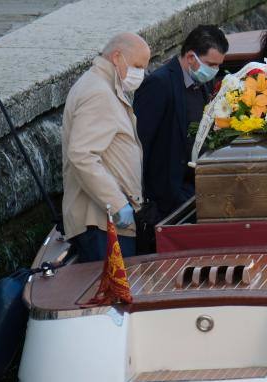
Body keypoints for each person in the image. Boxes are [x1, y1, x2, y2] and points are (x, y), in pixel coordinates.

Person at [61, 32, 150, 263]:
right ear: (117, 57)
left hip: (106, 220)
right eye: (138, 65)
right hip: (101, 222)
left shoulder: (104, 86)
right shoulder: (98, 92)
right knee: (114, 293)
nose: (141, 73)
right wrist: (118, 203)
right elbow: (82, 155)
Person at [133, 25, 229, 220]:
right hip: (168, 195)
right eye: (211, 64)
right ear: (191, 58)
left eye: (218, 65)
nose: (214, 70)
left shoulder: (204, 82)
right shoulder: (159, 84)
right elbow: (140, 142)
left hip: (194, 188)